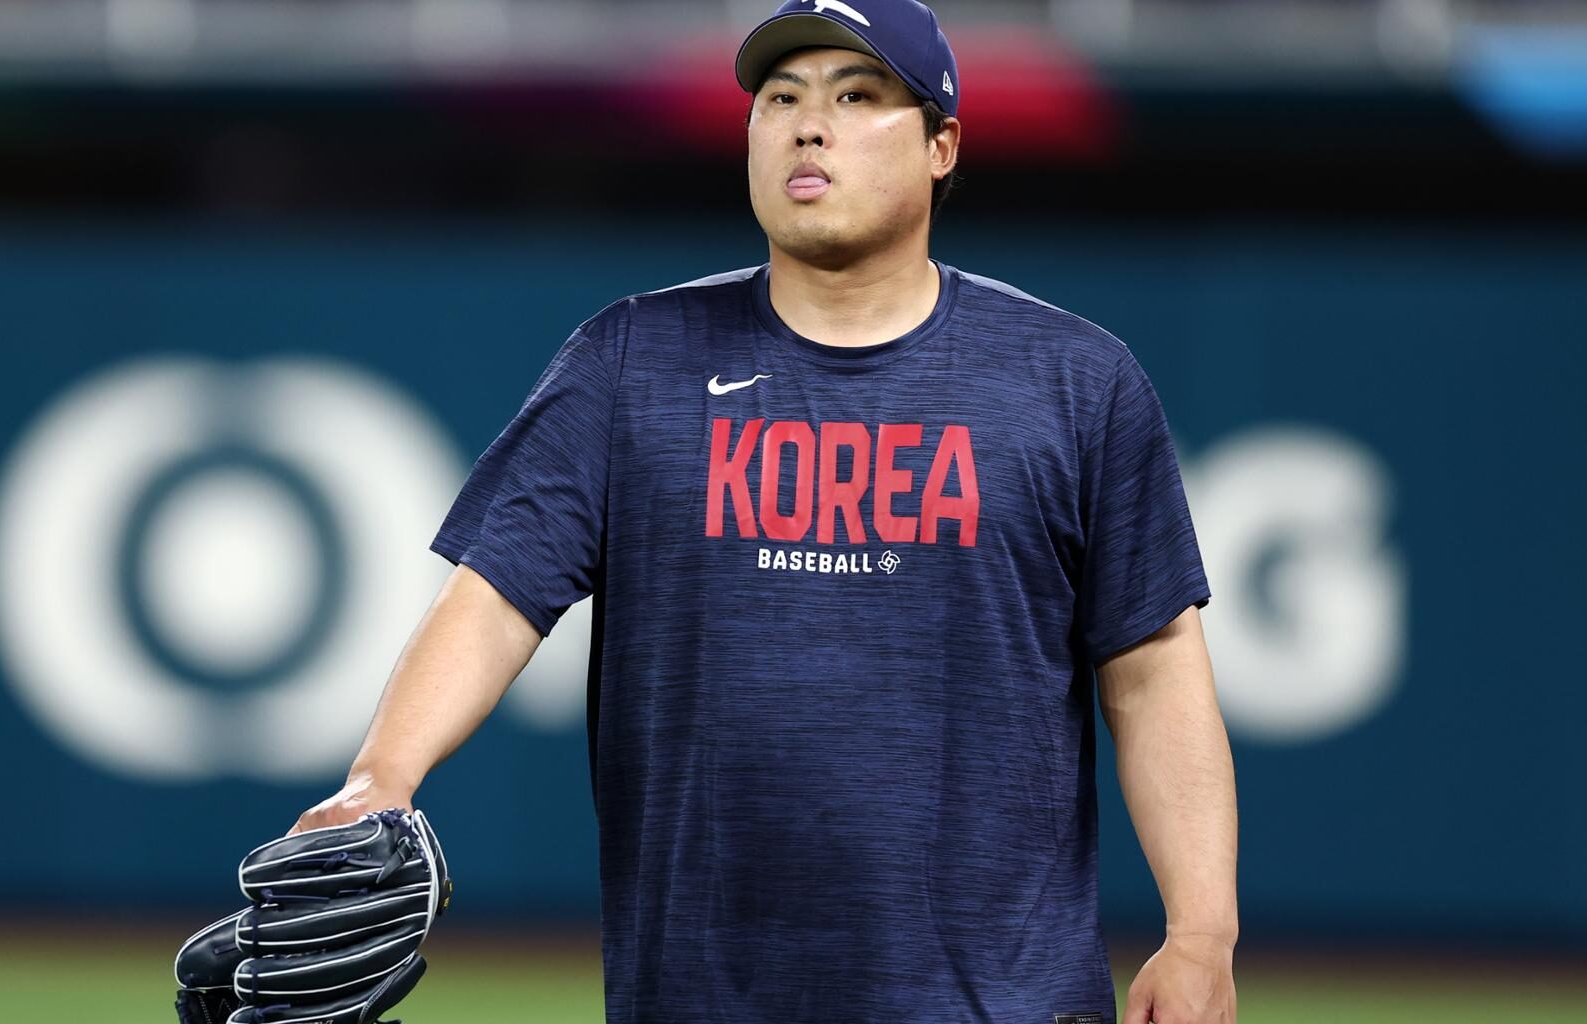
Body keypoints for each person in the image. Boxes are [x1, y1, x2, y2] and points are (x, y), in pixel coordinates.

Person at [288, 1, 1239, 1021]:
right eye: (779, 97)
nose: (807, 124)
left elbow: (1152, 670)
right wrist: (378, 777)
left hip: (999, 1000)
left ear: (942, 145)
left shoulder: (1074, 379)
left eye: (858, 96)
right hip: (701, 997)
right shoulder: (629, 361)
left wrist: (1200, 933)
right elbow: (494, 597)